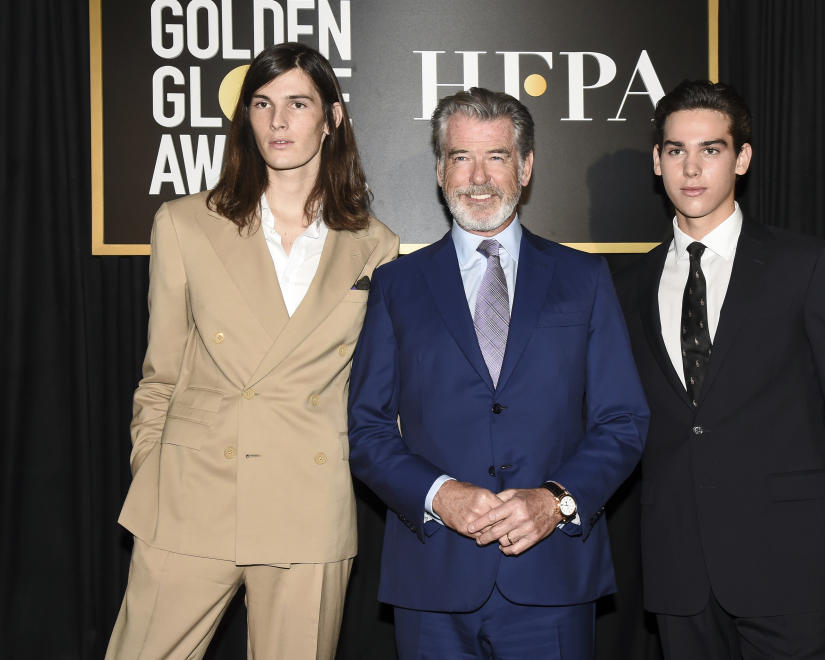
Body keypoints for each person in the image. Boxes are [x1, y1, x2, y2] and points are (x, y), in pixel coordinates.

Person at [106, 42, 398, 659]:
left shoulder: (375, 245)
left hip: (306, 502)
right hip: (191, 496)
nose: (278, 121)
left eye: (298, 103)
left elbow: (378, 391)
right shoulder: (184, 224)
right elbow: (158, 376)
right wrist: (152, 473)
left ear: (333, 118)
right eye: (262, 104)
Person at [347, 87, 648, 658]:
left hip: (552, 575)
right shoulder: (396, 286)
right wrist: (439, 495)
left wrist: (556, 501)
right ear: (440, 170)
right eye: (461, 157)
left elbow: (623, 421)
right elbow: (366, 430)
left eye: (497, 156)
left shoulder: (584, 279)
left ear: (526, 167)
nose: (478, 177)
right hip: (432, 579)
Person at [614, 80, 825, 659]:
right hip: (680, 579)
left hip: (792, 570)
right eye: (675, 150)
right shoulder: (627, 286)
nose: (691, 168)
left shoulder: (807, 266)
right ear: (657, 160)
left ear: (742, 158)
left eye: (711, 150)